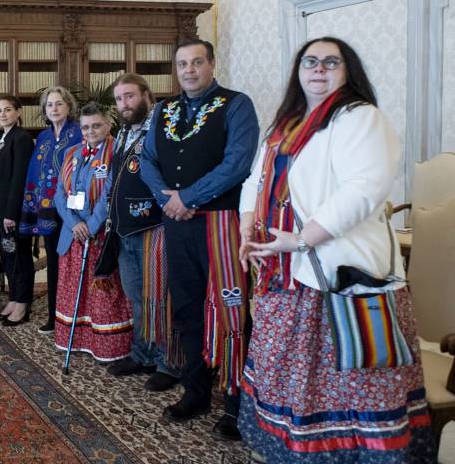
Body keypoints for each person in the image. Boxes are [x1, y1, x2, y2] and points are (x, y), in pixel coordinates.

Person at [238, 37, 435, 462]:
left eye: (331, 62)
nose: (319, 70)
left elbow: (363, 191)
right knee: (288, 384)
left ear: (348, 71)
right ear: (298, 70)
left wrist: (301, 238)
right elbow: (255, 180)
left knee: (352, 388)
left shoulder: (360, 118)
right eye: (310, 62)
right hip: (284, 273)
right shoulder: (286, 124)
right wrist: (245, 229)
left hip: (336, 278)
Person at [140, 39, 259, 440]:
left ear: (212, 63)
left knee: (231, 311)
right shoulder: (163, 110)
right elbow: (148, 160)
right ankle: (196, 392)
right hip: (177, 224)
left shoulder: (237, 105)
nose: (189, 70)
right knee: (186, 308)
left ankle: (236, 404)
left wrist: (188, 197)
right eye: (182, 65)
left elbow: (238, 163)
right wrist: (169, 201)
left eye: (196, 62)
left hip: (221, 224)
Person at [100, 74, 181, 392]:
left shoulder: (162, 130)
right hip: (124, 230)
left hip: (154, 227)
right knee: (138, 299)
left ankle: (168, 363)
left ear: (147, 95)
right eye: (119, 99)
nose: (124, 104)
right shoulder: (122, 132)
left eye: (130, 96)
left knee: (160, 299)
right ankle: (143, 354)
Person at [52, 103, 132, 360]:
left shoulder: (116, 153)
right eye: (85, 127)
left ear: (108, 124)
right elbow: (59, 195)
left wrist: (91, 225)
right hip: (73, 233)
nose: (90, 131)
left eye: (96, 125)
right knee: (74, 289)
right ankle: (76, 341)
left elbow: (110, 195)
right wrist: (74, 223)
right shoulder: (73, 152)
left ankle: (106, 346)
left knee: (102, 294)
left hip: (99, 236)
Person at [20, 86, 83, 334]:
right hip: (47, 209)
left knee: (72, 262)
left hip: (72, 210)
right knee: (55, 264)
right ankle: (54, 316)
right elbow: (35, 172)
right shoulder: (44, 137)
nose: (54, 108)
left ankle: (74, 317)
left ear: (69, 107)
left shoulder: (78, 133)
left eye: (58, 104)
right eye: (49, 105)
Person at [0, 96, 35, 325]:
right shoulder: (1, 138)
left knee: (19, 256)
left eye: (8, 110)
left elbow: (19, 179)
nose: (3, 114)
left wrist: (10, 213)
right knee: (8, 256)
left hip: (12, 210)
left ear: (18, 112)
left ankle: (23, 302)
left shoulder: (22, 138)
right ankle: (14, 298)